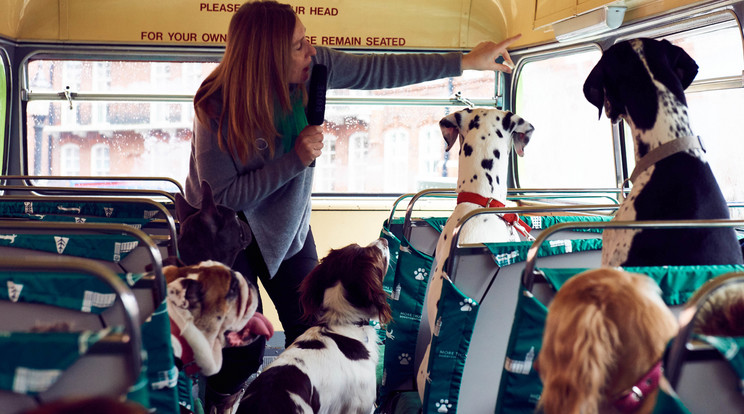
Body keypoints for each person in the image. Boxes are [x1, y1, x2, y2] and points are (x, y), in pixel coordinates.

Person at [184, 0, 521, 411]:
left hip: (284, 219)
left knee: (312, 323)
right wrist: (296, 160)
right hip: (220, 228)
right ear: (267, 58)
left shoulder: (314, 71)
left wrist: (466, 61)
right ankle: (222, 399)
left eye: (307, 40)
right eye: (298, 45)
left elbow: (378, 69)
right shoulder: (214, 104)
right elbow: (222, 196)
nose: (311, 50)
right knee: (241, 346)